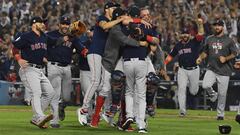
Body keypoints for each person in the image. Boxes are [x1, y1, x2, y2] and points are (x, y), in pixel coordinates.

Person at [89, 7, 148, 128]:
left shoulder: (125, 27)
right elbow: (124, 40)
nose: (127, 17)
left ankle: (123, 119)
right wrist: (139, 43)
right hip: (109, 62)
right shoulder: (115, 29)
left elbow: (130, 25)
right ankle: (95, 117)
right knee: (105, 89)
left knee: (124, 89)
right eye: (124, 15)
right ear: (119, 17)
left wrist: (140, 22)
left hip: (119, 62)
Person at [77, 1, 123, 126]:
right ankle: (83, 109)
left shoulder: (114, 21)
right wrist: (119, 20)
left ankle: (103, 111)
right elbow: (105, 26)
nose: (115, 9)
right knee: (95, 81)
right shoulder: (102, 18)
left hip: (104, 56)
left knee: (104, 85)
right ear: (107, 9)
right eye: (113, 8)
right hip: (94, 52)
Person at [12, 16, 55, 129]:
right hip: (28, 69)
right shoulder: (26, 36)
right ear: (34, 24)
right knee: (36, 92)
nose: (43, 25)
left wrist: (68, 36)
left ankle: (37, 117)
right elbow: (15, 47)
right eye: (41, 23)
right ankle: (39, 115)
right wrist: (18, 59)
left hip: (40, 70)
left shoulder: (44, 36)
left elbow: (55, 42)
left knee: (50, 93)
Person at [46, 16, 86, 128]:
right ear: (59, 25)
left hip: (67, 67)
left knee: (67, 97)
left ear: (69, 25)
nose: (65, 26)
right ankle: (54, 121)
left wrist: (87, 52)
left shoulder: (73, 37)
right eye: (63, 23)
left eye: (67, 24)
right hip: (54, 66)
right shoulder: (51, 35)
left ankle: (62, 106)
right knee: (55, 94)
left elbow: (81, 49)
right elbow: (46, 43)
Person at [196, 19, 237, 120]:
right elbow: (205, 52)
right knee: (205, 85)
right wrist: (200, 58)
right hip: (212, 68)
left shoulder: (229, 40)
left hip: (225, 70)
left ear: (223, 27)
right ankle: (213, 94)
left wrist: (226, 58)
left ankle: (220, 114)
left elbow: (235, 53)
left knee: (222, 95)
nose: (217, 27)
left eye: (219, 25)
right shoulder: (209, 39)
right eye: (215, 25)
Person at [164, 17, 204, 116]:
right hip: (182, 70)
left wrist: (200, 24)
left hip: (194, 70)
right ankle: (182, 111)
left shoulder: (194, 42)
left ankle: (192, 90)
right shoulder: (177, 46)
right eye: (183, 34)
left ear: (190, 35)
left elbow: (201, 34)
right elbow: (170, 56)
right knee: (181, 89)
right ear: (180, 35)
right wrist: (164, 64)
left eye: (187, 34)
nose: (185, 36)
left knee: (194, 91)